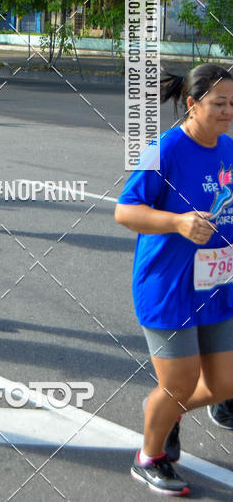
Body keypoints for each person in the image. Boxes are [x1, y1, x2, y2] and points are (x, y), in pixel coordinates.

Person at [115, 64, 233, 497]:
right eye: (219, 103)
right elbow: (125, 211)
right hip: (168, 285)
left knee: (224, 383)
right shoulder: (161, 150)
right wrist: (178, 222)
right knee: (179, 382)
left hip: (217, 283)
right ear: (192, 103)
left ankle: (167, 412)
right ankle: (149, 457)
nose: (228, 111)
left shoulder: (229, 148)